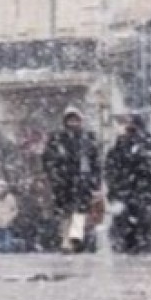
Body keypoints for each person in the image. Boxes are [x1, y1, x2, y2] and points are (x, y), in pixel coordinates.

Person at [43, 108, 102, 253]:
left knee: (79, 211)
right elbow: (47, 159)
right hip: (63, 182)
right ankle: (66, 240)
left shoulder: (88, 139)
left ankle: (74, 238)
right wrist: (54, 175)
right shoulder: (57, 139)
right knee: (65, 213)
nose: (73, 123)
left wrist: (95, 181)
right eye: (70, 120)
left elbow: (95, 162)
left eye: (75, 120)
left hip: (82, 181)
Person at [105, 116, 151, 254]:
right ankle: (128, 247)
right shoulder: (118, 148)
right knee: (124, 226)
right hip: (126, 193)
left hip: (140, 193)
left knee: (142, 226)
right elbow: (111, 170)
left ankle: (139, 247)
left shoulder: (147, 145)